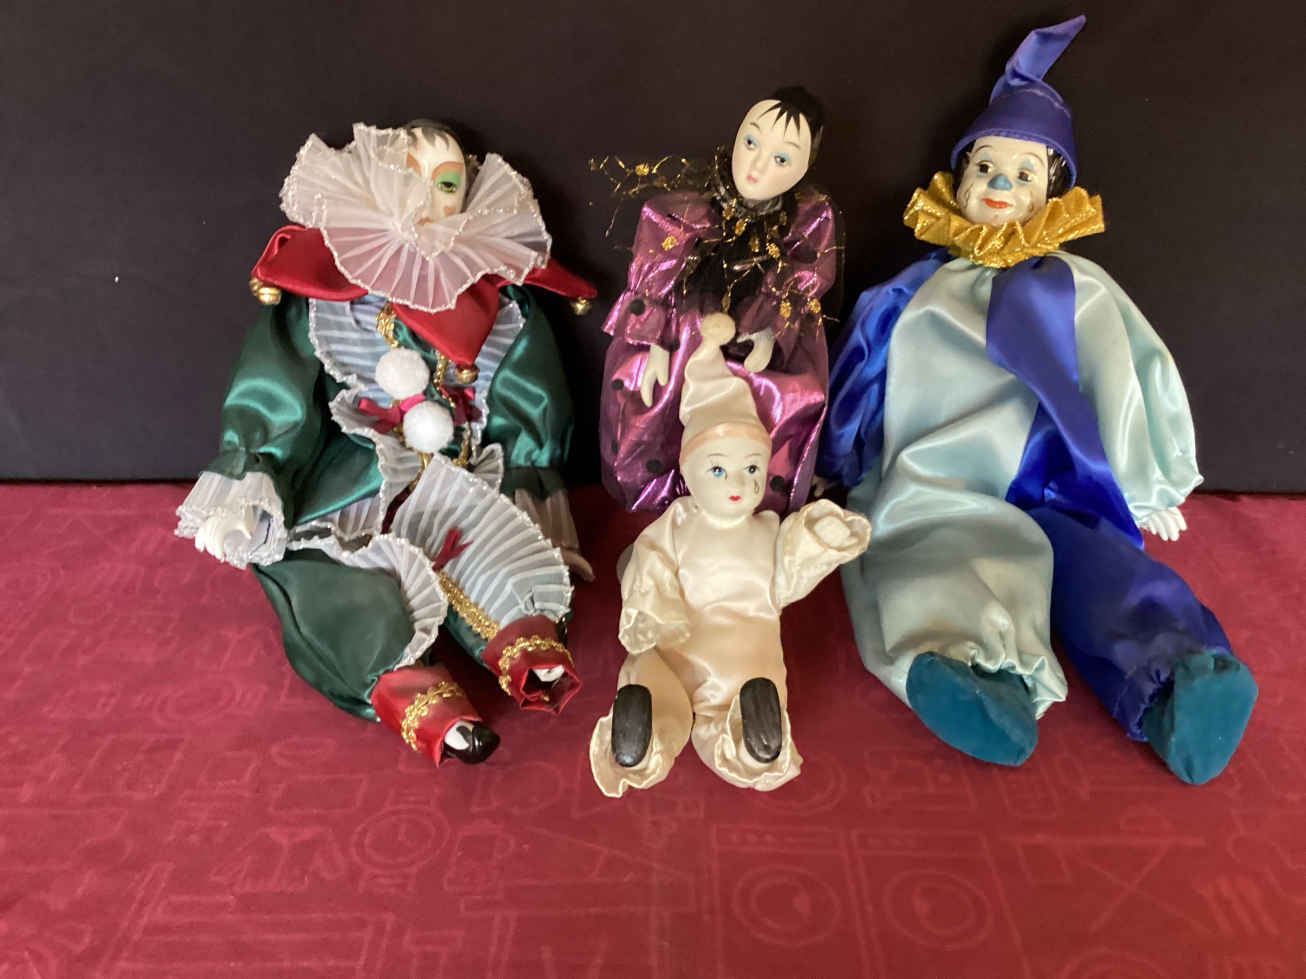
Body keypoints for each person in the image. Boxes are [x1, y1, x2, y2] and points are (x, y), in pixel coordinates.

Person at [817, 17, 1256, 784]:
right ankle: (969, 670)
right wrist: (837, 461)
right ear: (959, 178)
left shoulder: (1080, 290)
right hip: (944, 485)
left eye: (1023, 174)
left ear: (1052, 191)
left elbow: (1127, 373)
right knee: (938, 556)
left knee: (1107, 572)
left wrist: (1151, 476)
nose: (999, 187)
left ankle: (1179, 680)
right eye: (986, 166)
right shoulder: (914, 293)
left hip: (1064, 484)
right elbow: (862, 368)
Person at [177, 121, 596, 767]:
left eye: (447, 184)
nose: (428, 199)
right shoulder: (327, 290)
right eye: (408, 180)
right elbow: (278, 386)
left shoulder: (494, 289)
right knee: (338, 571)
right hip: (356, 474)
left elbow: (528, 393)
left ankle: (525, 639)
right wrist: (254, 471)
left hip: (462, 466)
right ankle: (414, 693)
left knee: (492, 543)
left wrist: (532, 478)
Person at [591, 313, 870, 796]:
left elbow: (788, 573)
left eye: (752, 469)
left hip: (739, 655)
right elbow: (649, 563)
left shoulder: (769, 528)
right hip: (677, 640)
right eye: (718, 470)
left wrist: (818, 538)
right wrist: (650, 611)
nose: (739, 483)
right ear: (689, 471)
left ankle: (749, 736)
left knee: (728, 701)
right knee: (652, 678)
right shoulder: (679, 521)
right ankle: (647, 728)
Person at [598, 87, 840, 516]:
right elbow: (657, 269)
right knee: (658, 397)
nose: (757, 166)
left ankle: (744, 500)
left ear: (805, 166)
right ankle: (666, 495)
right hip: (683, 332)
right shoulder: (688, 208)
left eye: (782, 158)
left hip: (756, 340)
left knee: (777, 396)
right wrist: (654, 340)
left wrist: (771, 329)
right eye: (751, 141)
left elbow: (805, 279)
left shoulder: (807, 220)